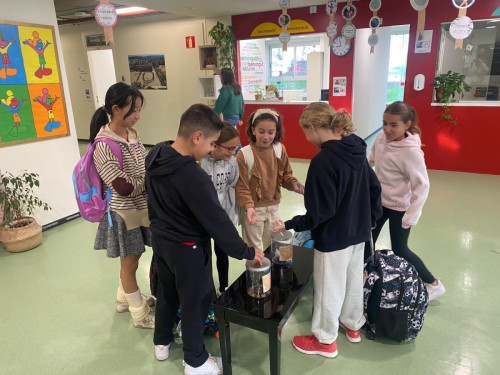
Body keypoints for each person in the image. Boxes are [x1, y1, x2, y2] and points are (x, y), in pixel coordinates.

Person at [145, 104, 264, 373]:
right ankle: (195, 360)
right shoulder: (193, 176)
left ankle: (162, 341)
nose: (212, 149)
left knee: (167, 292)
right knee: (195, 300)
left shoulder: (156, 153)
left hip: (161, 242)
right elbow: (218, 223)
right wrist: (246, 251)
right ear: (197, 137)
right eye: (211, 143)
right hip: (188, 247)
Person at [272, 102, 382, 358]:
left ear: (311, 127)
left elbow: (320, 214)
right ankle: (353, 324)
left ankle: (324, 340)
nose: (308, 139)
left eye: (306, 133)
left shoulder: (323, 161)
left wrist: (289, 224)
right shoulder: (356, 147)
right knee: (353, 279)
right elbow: (375, 188)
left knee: (328, 287)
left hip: (333, 238)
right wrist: (371, 219)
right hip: (359, 233)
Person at [366, 101, 446, 301]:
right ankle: (366, 274)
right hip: (380, 202)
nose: (387, 128)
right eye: (385, 123)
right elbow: (371, 160)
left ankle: (433, 284)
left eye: (393, 125)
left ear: (407, 125)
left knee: (400, 249)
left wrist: (411, 216)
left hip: (400, 207)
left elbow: (422, 186)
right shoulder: (381, 138)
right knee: (368, 239)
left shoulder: (411, 152)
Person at [91, 82, 155, 329]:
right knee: (129, 264)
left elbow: (140, 169)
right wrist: (152, 180)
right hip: (123, 212)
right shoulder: (104, 145)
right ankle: (139, 314)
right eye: (134, 110)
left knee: (135, 258)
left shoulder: (132, 135)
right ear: (116, 109)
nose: (138, 116)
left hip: (140, 208)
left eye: (139, 109)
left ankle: (123, 299)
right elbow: (123, 188)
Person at [236, 108, 304, 252]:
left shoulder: (280, 149)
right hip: (253, 209)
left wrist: (293, 183)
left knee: (272, 246)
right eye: (261, 131)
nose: (266, 136)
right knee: (254, 248)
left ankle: (269, 274)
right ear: (253, 130)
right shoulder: (244, 154)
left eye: (271, 132)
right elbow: (242, 186)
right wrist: (249, 207)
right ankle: (256, 274)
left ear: (276, 132)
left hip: (274, 207)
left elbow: (286, 175)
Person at [199, 122, 240, 296]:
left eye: (235, 148)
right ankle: (203, 289)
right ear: (214, 145)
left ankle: (223, 288)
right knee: (202, 255)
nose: (233, 153)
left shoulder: (231, 163)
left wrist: (231, 217)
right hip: (200, 218)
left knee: (222, 252)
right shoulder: (199, 162)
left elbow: (232, 187)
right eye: (229, 148)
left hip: (221, 216)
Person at [214, 68, 244, 151]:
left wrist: (213, 114)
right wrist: (240, 117)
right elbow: (242, 103)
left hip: (228, 117)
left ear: (223, 78)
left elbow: (220, 104)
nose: (220, 78)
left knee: (228, 137)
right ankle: (240, 152)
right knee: (233, 135)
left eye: (221, 76)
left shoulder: (226, 90)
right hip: (236, 117)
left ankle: (239, 152)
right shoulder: (237, 88)